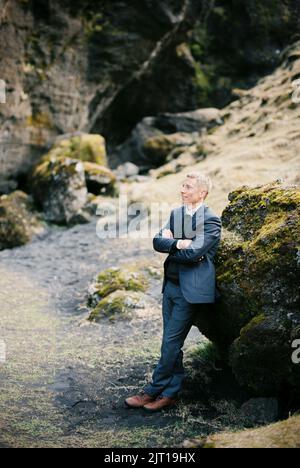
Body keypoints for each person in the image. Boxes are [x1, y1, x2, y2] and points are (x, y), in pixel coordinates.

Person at [125, 172, 222, 412]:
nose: (182, 190)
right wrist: (179, 243)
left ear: (202, 193)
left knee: (169, 342)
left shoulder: (210, 220)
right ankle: (170, 393)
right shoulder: (176, 214)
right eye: (182, 186)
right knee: (171, 342)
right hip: (169, 286)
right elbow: (158, 242)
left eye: (188, 187)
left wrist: (175, 243)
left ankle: (151, 390)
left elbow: (194, 254)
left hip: (190, 292)